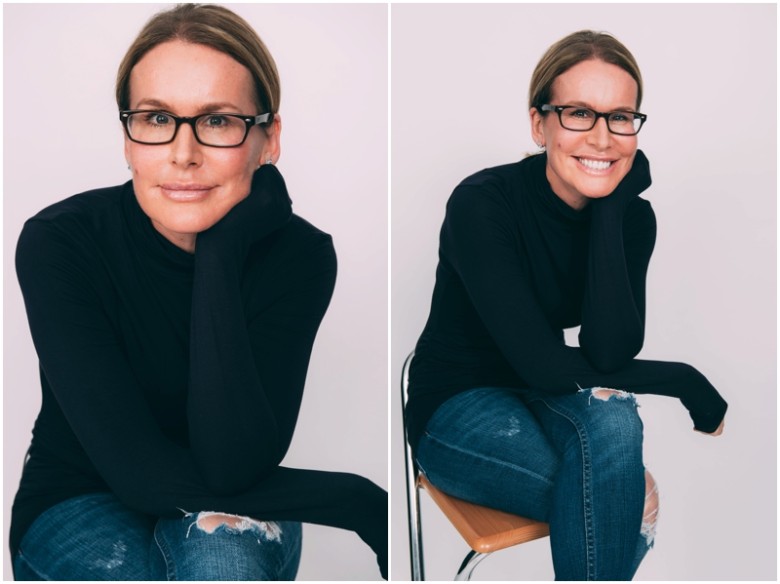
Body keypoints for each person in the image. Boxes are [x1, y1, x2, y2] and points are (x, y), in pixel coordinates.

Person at [10, 4, 386, 580]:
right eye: (157, 119)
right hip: (81, 497)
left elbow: (234, 462)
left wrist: (219, 253)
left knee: (222, 561)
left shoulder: (301, 257)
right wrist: (353, 500)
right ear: (128, 139)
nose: (183, 155)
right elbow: (139, 475)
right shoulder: (61, 242)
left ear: (268, 139)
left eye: (217, 121)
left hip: (241, 486)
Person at [405, 30, 727, 580]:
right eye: (579, 113)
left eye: (620, 118)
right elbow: (546, 365)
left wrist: (611, 207)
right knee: (626, 497)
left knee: (616, 424)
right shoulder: (483, 203)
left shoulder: (632, 220)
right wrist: (686, 380)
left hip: (547, 395)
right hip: (458, 405)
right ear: (540, 124)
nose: (602, 137)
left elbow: (609, 349)